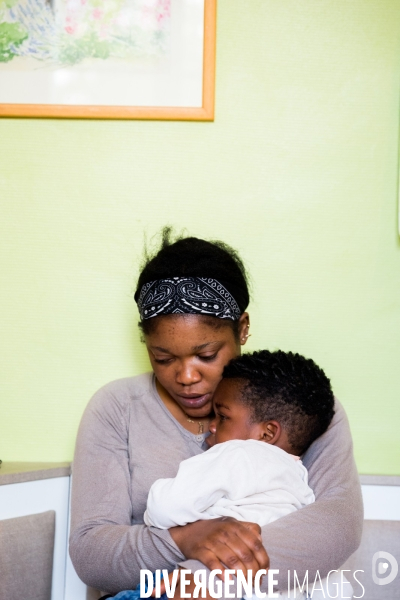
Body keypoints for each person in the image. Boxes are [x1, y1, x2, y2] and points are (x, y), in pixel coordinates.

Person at [69, 229, 363, 598]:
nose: (186, 376)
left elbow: (336, 525)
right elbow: (91, 553)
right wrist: (185, 539)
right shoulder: (116, 408)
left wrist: (199, 580)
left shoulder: (300, 403)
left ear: (242, 328)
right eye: (163, 358)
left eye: (206, 355)